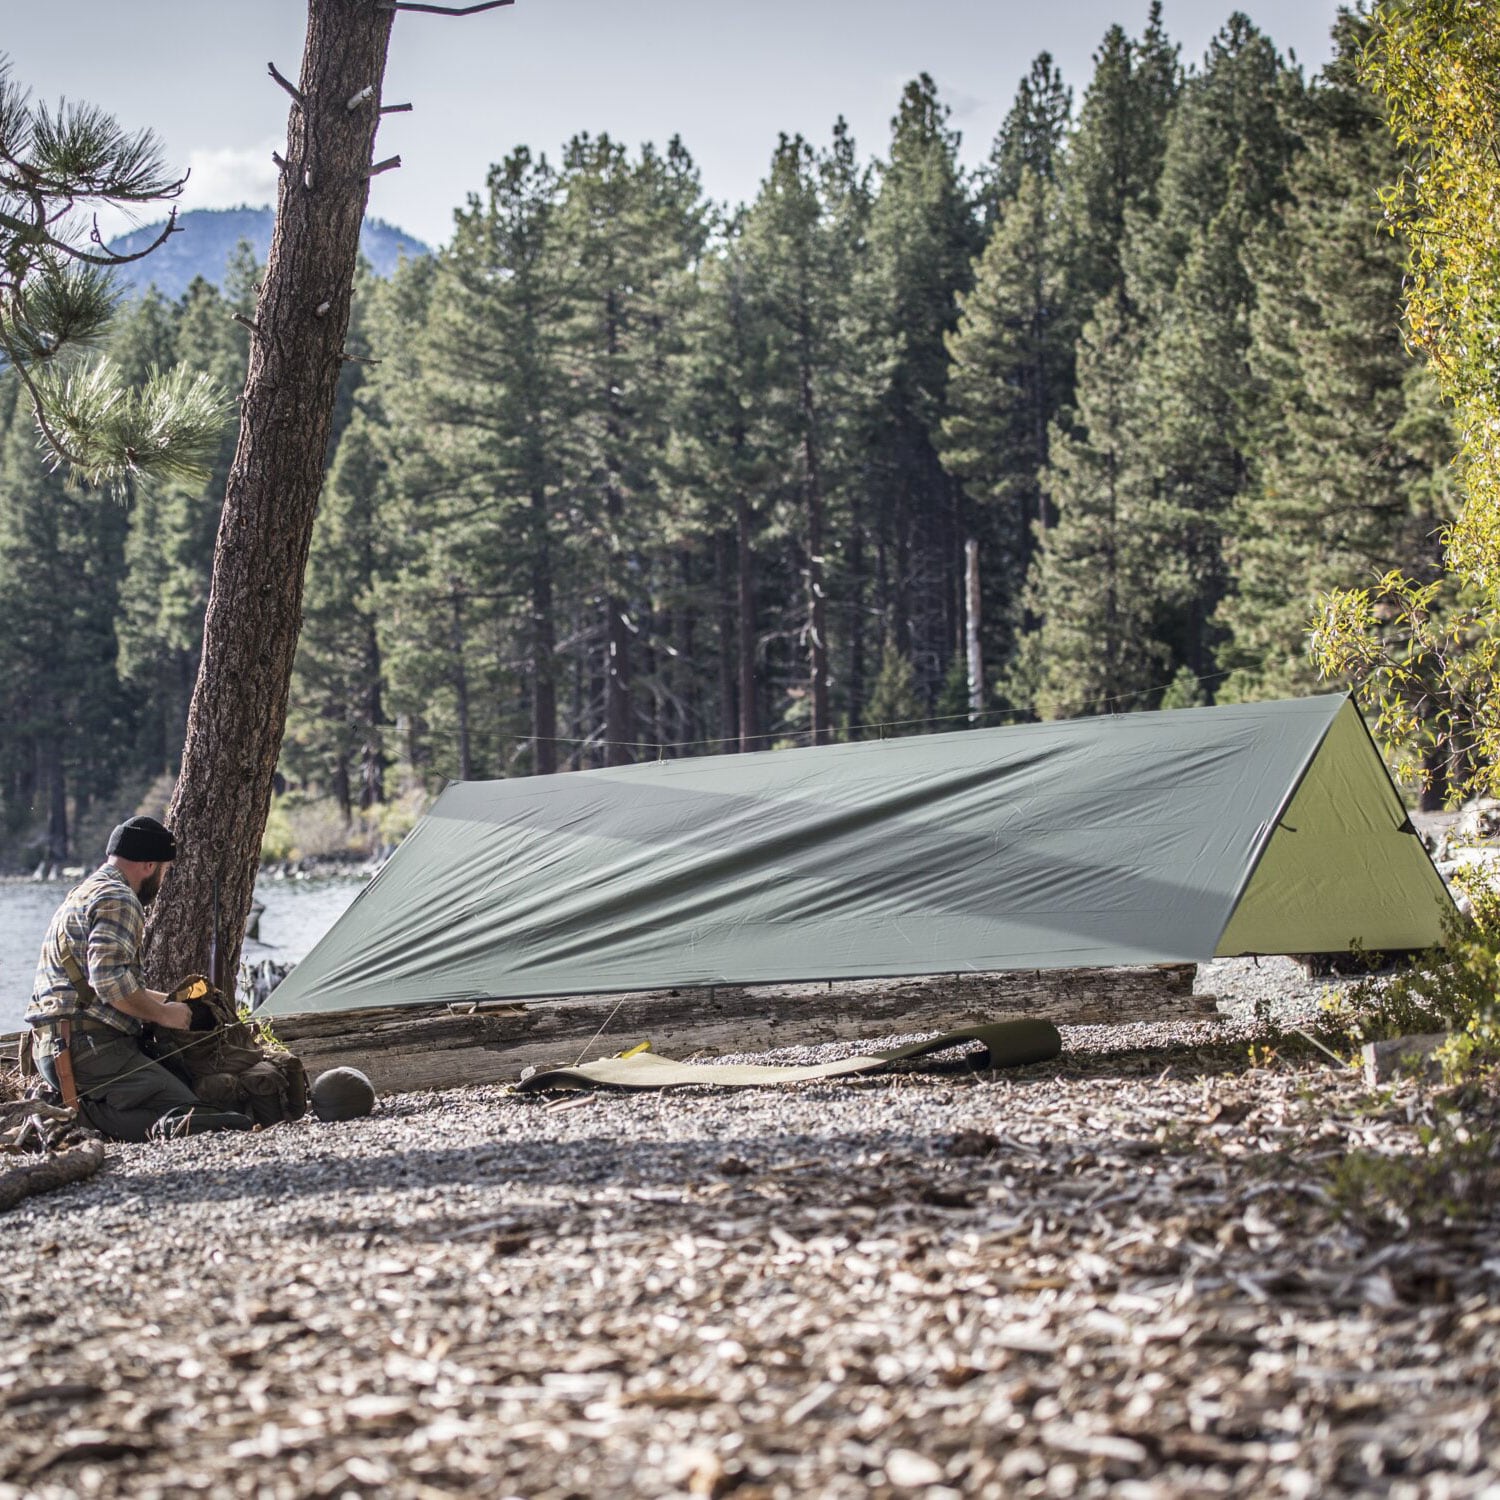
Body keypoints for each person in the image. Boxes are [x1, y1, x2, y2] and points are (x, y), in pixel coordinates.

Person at [25, 815, 254, 1142]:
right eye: (164, 870)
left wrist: (170, 999)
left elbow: (99, 986)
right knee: (196, 1115)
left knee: (180, 1096)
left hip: (54, 1046)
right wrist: (166, 1015)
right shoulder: (120, 898)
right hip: (88, 1051)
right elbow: (110, 985)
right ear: (149, 865)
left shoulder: (82, 893)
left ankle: (69, 1106)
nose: (163, 879)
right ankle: (77, 1114)